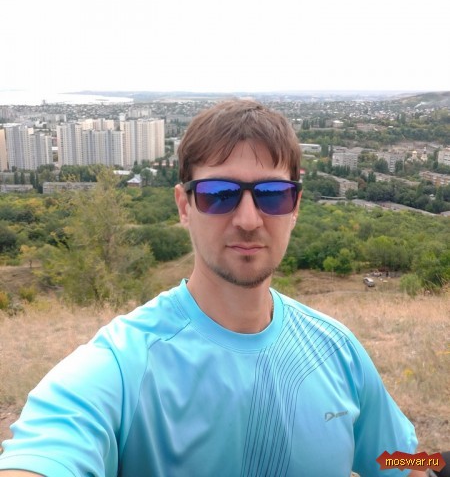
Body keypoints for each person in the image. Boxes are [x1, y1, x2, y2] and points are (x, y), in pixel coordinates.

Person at [0, 99, 421, 476]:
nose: (249, 220)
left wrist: (435, 464)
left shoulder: (337, 350)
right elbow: (47, 453)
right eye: (219, 194)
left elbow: (397, 461)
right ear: (184, 206)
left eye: (272, 195)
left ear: (295, 207)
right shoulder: (124, 366)